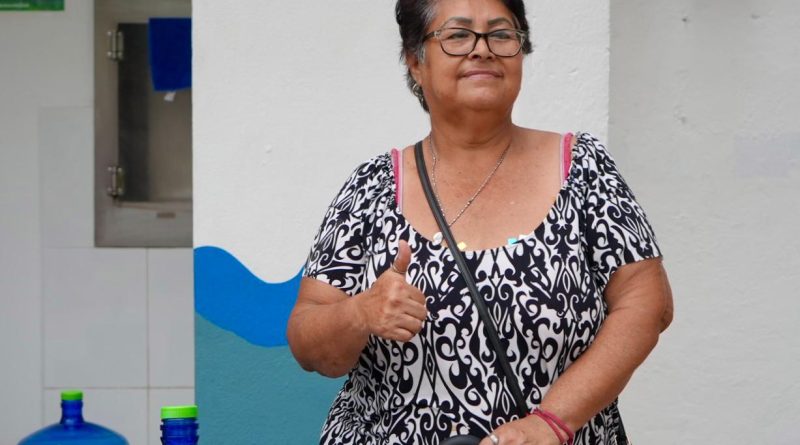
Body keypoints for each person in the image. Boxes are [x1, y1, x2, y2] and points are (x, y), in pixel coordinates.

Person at [287, 0, 674, 444]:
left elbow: (648, 303)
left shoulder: (582, 169)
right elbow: (308, 343)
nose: (482, 49)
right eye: (457, 35)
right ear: (415, 61)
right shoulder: (371, 188)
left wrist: (552, 422)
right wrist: (360, 313)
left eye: (501, 34)